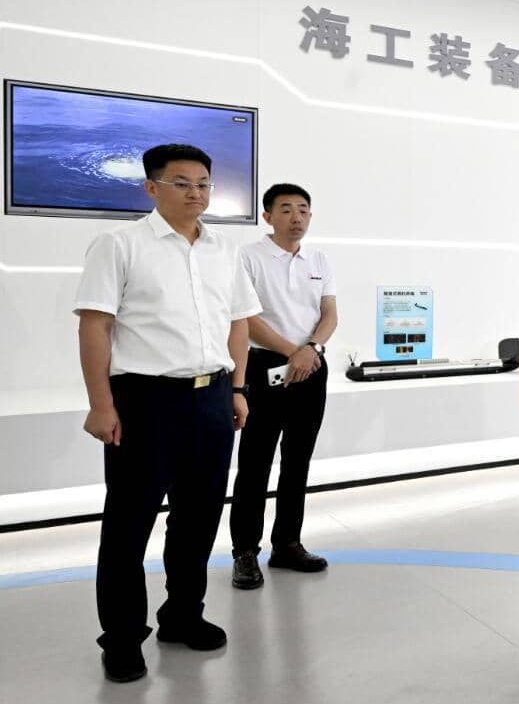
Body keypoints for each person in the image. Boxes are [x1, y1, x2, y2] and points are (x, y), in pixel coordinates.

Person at [74, 144, 261, 683]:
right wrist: (100, 403)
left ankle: (182, 615)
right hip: (145, 401)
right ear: (152, 187)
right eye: (182, 182)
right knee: (129, 523)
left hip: (213, 396)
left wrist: (237, 389)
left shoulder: (224, 251)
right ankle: (122, 637)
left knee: (198, 518)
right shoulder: (120, 244)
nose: (195, 192)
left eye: (203, 183)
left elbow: (238, 323)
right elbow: (95, 325)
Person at [229, 183, 339, 589]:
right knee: (255, 463)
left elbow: (329, 313)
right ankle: (245, 552)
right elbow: (246, 318)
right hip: (263, 366)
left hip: (312, 366)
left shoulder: (319, 259)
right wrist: (294, 351)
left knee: (298, 461)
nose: (297, 217)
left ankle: (287, 544)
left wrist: (311, 349)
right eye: (287, 209)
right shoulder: (247, 257)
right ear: (268, 215)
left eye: (304, 210)